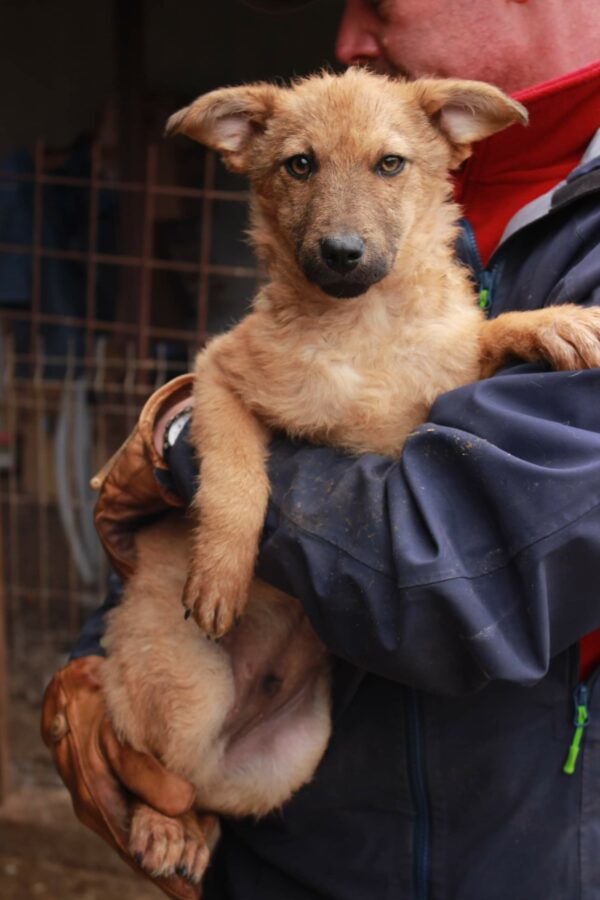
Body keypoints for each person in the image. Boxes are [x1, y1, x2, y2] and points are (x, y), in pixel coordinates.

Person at [42, 1, 600, 898]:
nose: (347, 39)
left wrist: (179, 437)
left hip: (524, 854)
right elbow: (186, 535)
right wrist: (103, 668)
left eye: (380, 4)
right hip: (286, 850)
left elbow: (447, 578)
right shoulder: (377, 222)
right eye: (299, 168)